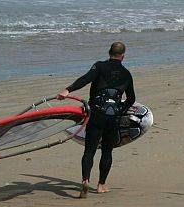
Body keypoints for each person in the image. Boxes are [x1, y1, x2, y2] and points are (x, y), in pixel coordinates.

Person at [58, 41, 136, 197]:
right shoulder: (126, 74)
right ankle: (101, 185)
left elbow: (85, 79)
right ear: (123, 56)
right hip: (113, 117)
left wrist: (68, 90)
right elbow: (131, 98)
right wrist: (121, 109)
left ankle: (85, 180)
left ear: (109, 52)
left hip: (97, 114)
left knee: (90, 149)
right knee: (107, 151)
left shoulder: (99, 66)